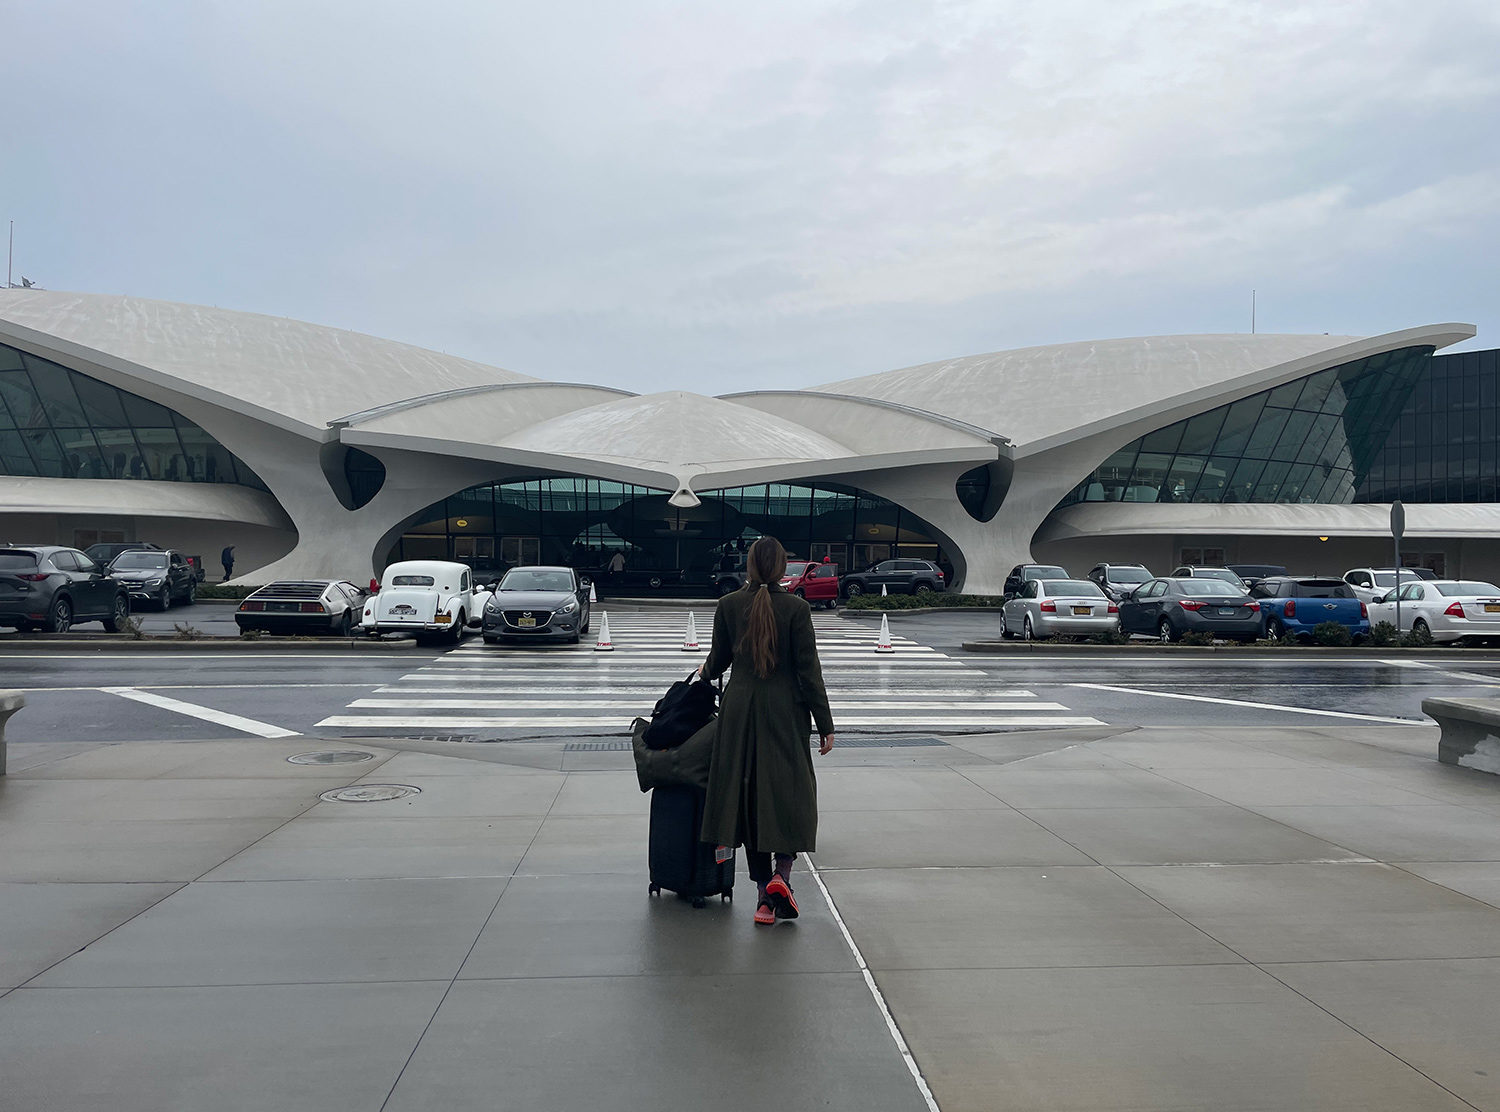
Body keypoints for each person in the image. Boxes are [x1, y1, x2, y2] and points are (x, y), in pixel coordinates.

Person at [699, 535, 835, 926]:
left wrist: (697, 680)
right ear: (780, 568)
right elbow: (809, 672)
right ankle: (782, 875)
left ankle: (762, 900)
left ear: (749, 566)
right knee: (790, 793)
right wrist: (825, 724)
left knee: (748, 796)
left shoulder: (728, 605)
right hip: (784, 712)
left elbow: (718, 660)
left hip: (739, 710)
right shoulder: (796, 608)